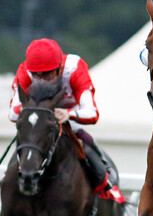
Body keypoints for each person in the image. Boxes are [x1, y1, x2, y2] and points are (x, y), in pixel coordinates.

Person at [8, 38, 124, 203]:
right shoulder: (25, 71)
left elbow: (92, 113)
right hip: (41, 121)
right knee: (28, 144)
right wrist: (40, 113)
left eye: (47, 74)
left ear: (59, 68)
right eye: (36, 75)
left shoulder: (75, 69)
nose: (40, 80)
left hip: (71, 114)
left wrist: (69, 114)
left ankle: (107, 180)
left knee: (85, 140)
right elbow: (13, 114)